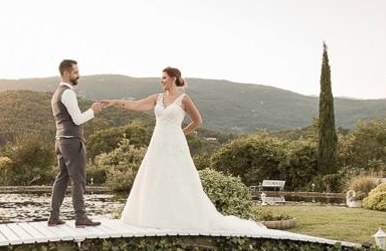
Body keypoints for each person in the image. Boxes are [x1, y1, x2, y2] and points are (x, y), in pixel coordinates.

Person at [104, 67, 266, 233]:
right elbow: (136, 105)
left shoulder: (184, 99)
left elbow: (197, 121)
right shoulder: (157, 98)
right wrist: (115, 102)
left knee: (179, 177)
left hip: (175, 144)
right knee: (155, 176)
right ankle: (153, 217)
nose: (162, 81)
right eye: (161, 78)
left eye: (164, 78)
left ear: (173, 78)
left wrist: (181, 132)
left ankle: (182, 218)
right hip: (158, 143)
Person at [48, 59, 105, 227]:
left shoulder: (56, 94)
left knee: (62, 178)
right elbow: (78, 119)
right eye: (75, 72)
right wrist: (93, 110)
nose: (78, 75)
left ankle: (53, 216)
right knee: (78, 179)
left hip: (60, 140)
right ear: (66, 73)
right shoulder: (68, 93)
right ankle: (80, 217)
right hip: (72, 142)